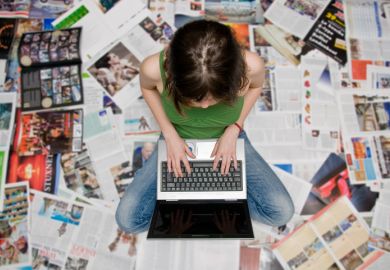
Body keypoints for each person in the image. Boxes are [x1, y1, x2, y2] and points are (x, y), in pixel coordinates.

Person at [116, 20, 294, 234]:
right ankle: (206, 196)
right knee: (128, 221)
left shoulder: (251, 66)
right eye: (194, 99)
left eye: (215, 98)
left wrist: (234, 128)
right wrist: (169, 133)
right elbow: (148, 89)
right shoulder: (153, 68)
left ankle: (206, 197)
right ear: (174, 78)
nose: (205, 106)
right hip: (177, 138)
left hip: (230, 137)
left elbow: (256, 87)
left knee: (281, 212)